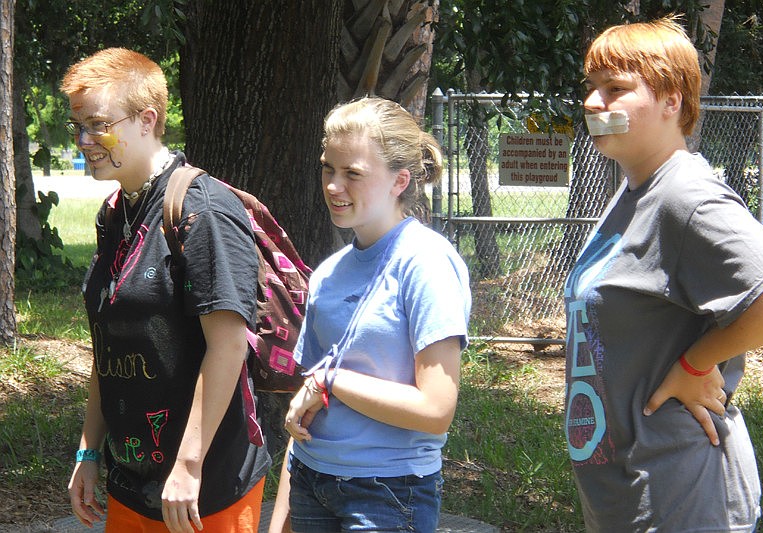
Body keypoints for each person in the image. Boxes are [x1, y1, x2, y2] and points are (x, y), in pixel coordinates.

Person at [564, 15, 763, 532]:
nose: (593, 102)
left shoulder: (684, 196)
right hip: (627, 492)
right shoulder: (634, 190)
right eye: (592, 87)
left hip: (683, 494)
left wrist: (696, 365)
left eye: (616, 89)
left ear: (673, 102)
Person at [61, 48, 271, 532]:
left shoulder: (204, 211)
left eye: (96, 124)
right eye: (79, 126)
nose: (84, 140)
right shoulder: (114, 214)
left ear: (146, 119)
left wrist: (190, 466)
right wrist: (89, 451)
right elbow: (108, 343)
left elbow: (229, 344)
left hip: (204, 492)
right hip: (130, 484)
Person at [268, 97, 471, 533]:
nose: (333, 186)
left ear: (400, 181)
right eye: (328, 169)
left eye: (353, 174)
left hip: (387, 492)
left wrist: (332, 380)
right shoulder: (327, 273)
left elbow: (435, 409)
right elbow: (307, 411)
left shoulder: (426, 263)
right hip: (310, 480)